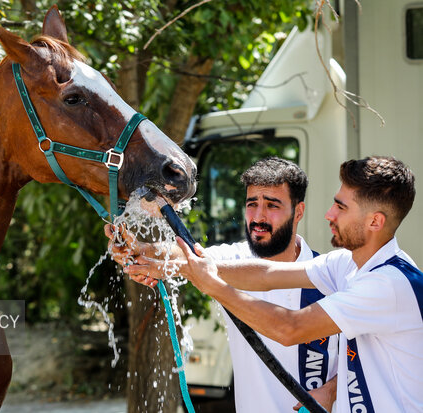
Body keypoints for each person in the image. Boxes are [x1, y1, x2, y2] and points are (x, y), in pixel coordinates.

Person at [128, 156, 423, 412]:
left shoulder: (389, 284)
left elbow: (290, 328)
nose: (329, 215)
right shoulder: (347, 264)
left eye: (341, 208)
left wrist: (213, 286)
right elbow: (267, 274)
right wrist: (154, 256)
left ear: (374, 222)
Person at [106, 157, 339, 412]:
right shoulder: (236, 258)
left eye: (272, 205)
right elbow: (184, 256)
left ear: (299, 212)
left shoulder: (328, 275)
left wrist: (330, 391)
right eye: (252, 204)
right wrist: (141, 249)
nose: (258, 217)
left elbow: (365, 356)